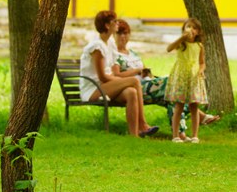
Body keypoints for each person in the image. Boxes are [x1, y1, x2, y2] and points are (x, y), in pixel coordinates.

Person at [111, 20, 220, 139]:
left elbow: (201, 62)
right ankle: (198, 118)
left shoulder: (133, 53)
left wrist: (146, 72)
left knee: (174, 96)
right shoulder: (115, 54)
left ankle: (180, 134)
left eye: (125, 33)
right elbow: (116, 74)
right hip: (136, 87)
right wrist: (136, 71)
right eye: (119, 33)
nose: (123, 36)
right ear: (114, 35)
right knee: (173, 85)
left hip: (148, 82)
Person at [79, 10, 159, 138]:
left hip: (106, 86)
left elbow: (111, 69)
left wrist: (119, 81)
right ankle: (143, 124)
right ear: (107, 25)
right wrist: (120, 81)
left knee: (131, 92)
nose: (117, 23)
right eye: (114, 21)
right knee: (134, 81)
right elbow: (102, 76)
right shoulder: (97, 47)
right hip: (93, 89)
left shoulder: (110, 42)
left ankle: (134, 135)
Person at [165, 18, 208, 144]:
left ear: (198, 32)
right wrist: (181, 38)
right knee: (179, 106)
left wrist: (201, 71)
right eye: (188, 27)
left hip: (194, 77)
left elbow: (202, 63)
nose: (191, 30)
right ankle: (175, 136)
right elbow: (169, 48)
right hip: (181, 77)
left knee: (194, 106)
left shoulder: (199, 46)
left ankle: (195, 136)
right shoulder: (181, 43)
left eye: (194, 28)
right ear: (184, 29)